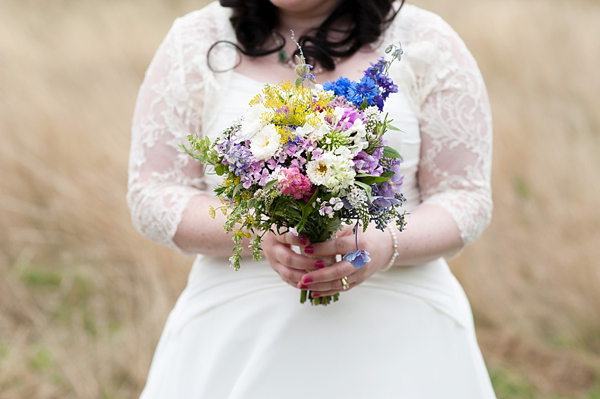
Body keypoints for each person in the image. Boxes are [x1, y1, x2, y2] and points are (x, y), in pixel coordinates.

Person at [127, 0, 497, 397]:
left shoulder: (426, 41)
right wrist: (260, 232)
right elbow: (153, 194)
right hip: (238, 334)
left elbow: (465, 197)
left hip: (403, 331)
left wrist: (380, 243)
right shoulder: (195, 40)